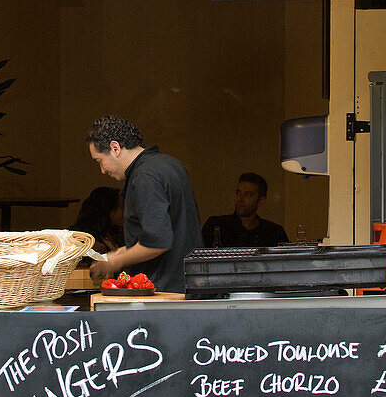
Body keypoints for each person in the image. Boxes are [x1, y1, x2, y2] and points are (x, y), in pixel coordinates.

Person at [86, 115, 201, 293]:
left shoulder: (144, 177)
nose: (102, 171)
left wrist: (114, 261)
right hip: (189, 284)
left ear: (115, 148)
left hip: (166, 291)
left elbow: (157, 242)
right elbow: (165, 231)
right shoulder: (170, 164)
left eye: (99, 161)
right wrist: (118, 253)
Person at [201, 172, 289, 248]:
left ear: (260, 201)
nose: (240, 199)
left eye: (248, 194)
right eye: (238, 193)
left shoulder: (273, 232)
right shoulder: (216, 226)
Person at [72, 186, 124, 254]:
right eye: (122, 205)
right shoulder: (83, 235)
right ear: (108, 209)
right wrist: (86, 246)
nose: (126, 210)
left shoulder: (117, 233)